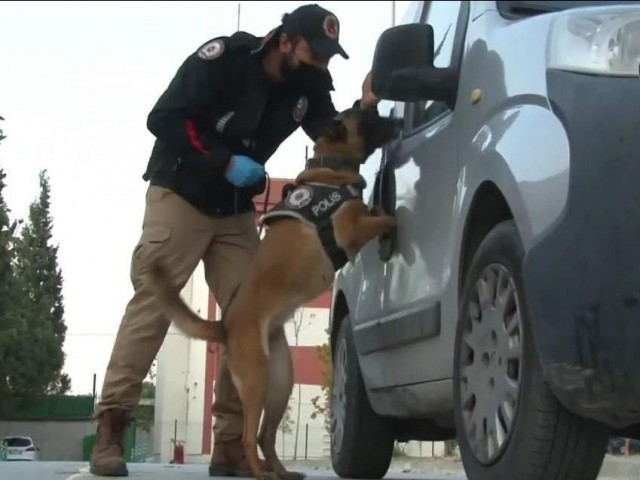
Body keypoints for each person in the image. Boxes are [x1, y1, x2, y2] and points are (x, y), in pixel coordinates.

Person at [89, 3, 380, 478]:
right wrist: (221, 160)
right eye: (315, 52)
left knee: (253, 319)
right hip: (181, 191)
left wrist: (365, 108)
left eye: (329, 56)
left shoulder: (308, 84)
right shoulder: (226, 58)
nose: (321, 64)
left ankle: (230, 445)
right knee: (152, 305)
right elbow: (164, 117)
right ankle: (111, 428)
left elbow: (333, 134)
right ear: (286, 41)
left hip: (234, 209)